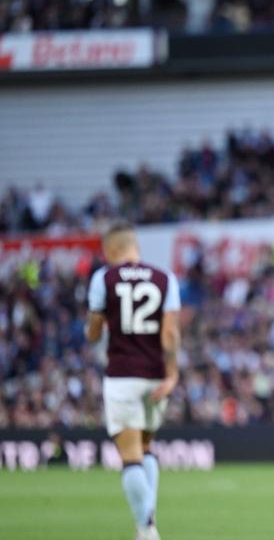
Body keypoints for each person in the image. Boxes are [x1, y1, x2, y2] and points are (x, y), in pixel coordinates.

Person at [86, 223, 182, 540]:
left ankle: (147, 528)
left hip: (122, 374)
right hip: (155, 375)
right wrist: (172, 374)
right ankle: (146, 525)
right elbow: (169, 333)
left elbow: (94, 332)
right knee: (146, 447)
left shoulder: (104, 279)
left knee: (130, 457)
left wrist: (93, 328)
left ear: (110, 251)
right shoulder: (165, 278)